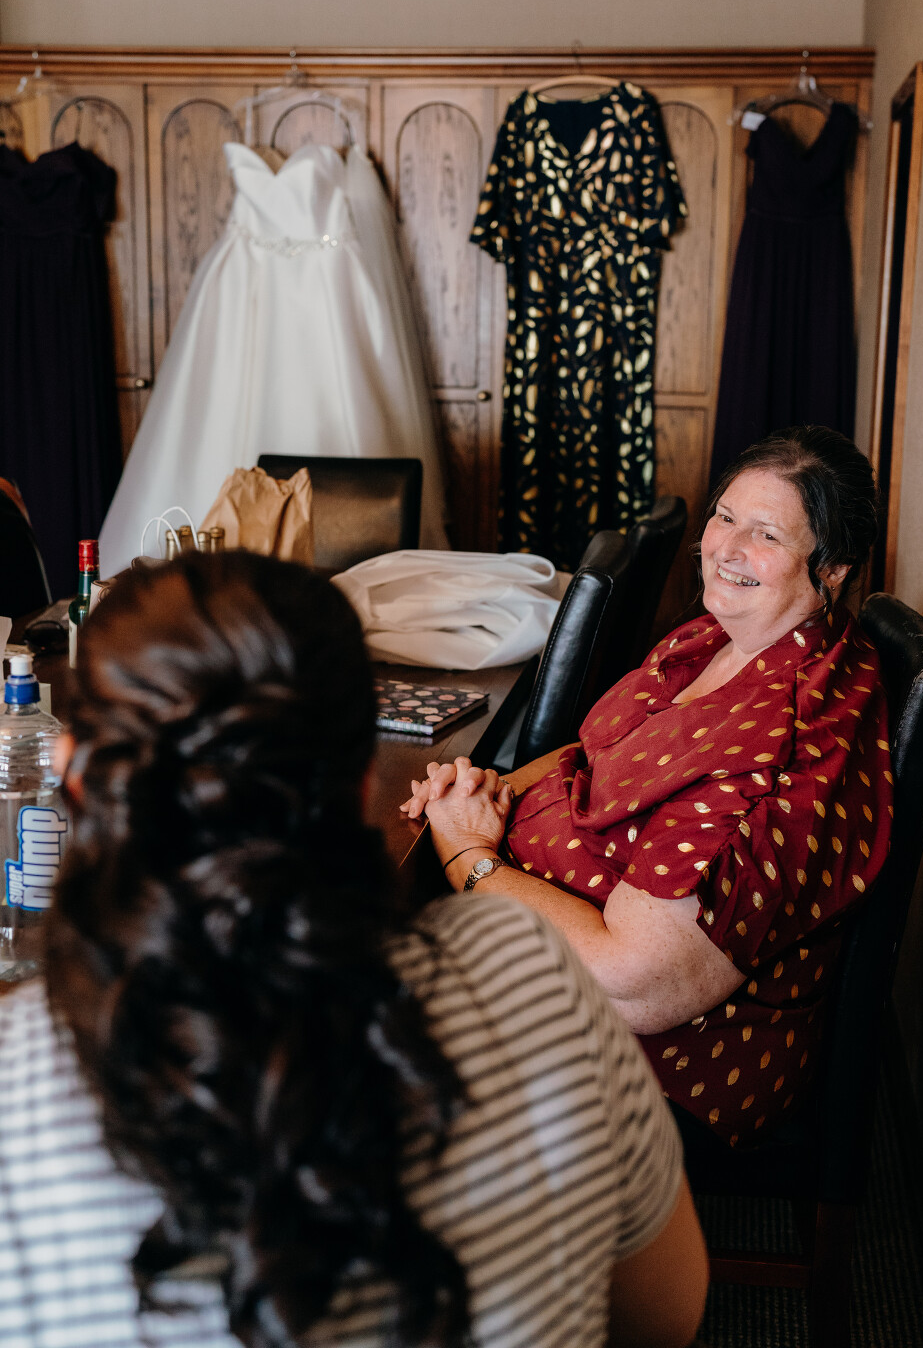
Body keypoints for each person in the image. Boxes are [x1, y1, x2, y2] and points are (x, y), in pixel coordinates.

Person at [0, 552, 707, 1348]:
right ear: (365, 777)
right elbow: (665, 1319)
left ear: (74, 774)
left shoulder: (16, 1073)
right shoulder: (527, 969)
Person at [402, 426, 893, 1149]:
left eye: (765, 535)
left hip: (649, 1060)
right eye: (724, 517)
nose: (726, 548)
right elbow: (594, 753)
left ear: (833, 569)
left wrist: (469, 858)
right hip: (547, 958)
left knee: (328, 1014)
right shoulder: (716, 639)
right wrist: (489, 791)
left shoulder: (778, 751)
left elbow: (634, 983)